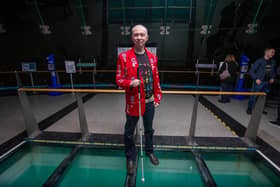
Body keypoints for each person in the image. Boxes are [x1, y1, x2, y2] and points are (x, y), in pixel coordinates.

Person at [116, 25, 162, 175]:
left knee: (149, 129)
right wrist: (129, 83)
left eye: (142, 34)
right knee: (129, 131)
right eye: (136, 35)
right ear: (132, 38)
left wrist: (158, 96)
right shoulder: (123, 57)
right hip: (133, 102)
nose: (139, 37)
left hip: (149, 101)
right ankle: (130, 157)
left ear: (147, 37)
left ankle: (150, 151)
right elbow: (118, 79)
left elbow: (156, 79)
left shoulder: (153, 58)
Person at [246, 47, 276, 115]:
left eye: (274, 52)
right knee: (254, 96)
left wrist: (272, 77)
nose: (273, 54)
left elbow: (273, 72)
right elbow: (251, 71)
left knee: (263, 97)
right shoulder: (259, 61)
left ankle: (260, 108)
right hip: (259, 82)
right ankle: (249, 108)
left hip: (267, 83)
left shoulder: (273, 62)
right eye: (272, 52)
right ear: (266, 52)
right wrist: (256, 79)